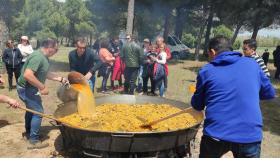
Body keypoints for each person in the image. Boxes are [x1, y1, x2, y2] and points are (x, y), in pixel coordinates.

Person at [191, 36, 275, 158]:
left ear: (213, 52)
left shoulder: (206, 70)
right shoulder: (253, 64)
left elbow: (197, 105)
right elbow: (269, 93)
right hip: (249, 135)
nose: (209, 58)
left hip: (216, 134)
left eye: (208, 54)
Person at [17, 38, 69, 149]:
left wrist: (60, 78)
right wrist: (42, 87)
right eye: (56, 49)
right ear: (50, 48)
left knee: (31, 110)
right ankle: (34, 141)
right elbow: (27, 75)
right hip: (26, 89)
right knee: (38, 112)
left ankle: (29, 132)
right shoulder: (38, 57)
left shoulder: (44, 57)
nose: (57, 51)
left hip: (29, 88)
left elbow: (45, 72)